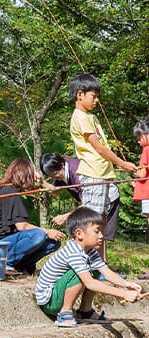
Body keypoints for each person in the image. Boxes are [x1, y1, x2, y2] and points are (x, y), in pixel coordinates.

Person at [35, 207, 141, 327]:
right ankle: (65, 313)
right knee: (82, 273)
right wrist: (123, 294)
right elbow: (90, 283)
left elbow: (106, 272)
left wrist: (126, 284)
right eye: (97, 231)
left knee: (94, 269)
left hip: (59, 293)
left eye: (101, 231)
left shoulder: (91, 251)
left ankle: (85, 311)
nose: (101, 236)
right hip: (50, 302)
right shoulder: (73, 252)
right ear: (79, 234)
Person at [68, 73, 136, 254]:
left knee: (100, 224)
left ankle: (101, 265)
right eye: (93, 96)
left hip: (105, 173)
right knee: (90, 223)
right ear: (80, 94)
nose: (96, 100)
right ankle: (82, 263)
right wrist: (123, 163)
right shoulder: (80, 117)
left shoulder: (91, 117)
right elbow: (98, 148)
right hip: (93, 173)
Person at [0, 158, 65, 274]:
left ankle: (22, 266)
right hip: (1, 245)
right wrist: (47, 231)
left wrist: (41, 181)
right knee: (38, 235)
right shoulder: (12, 192)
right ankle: (5, 262)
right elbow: (22, 226)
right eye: (30, 176)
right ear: (24, 175)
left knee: (53, 242)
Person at [40, 152, 120, 260]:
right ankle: (99, 265)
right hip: (90, 200)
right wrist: (41, 182)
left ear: (61, 165)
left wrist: (66, 216)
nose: (55, 177)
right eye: (51, 176)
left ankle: (100, 265)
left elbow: (87, 205)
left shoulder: (77, 172)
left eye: (55, 174)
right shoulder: (61, 170)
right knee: (93, 230)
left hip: (106, 196)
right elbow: (55, 191)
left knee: (95, 230)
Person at [132, 118, 149, 279]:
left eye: (139, 137)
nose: (138, 142)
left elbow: (142, 174)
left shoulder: (146, 150)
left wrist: (134, 171)